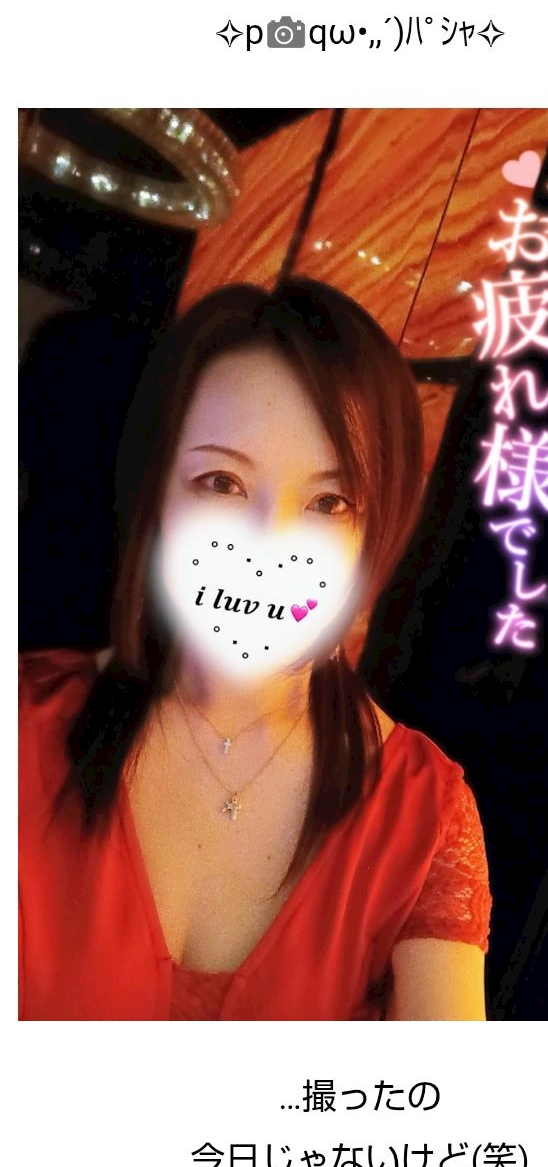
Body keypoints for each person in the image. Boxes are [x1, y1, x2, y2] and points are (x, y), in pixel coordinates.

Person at [18, 278, 492, 1020]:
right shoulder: (24, 727)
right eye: (222, 482)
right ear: (157, 496)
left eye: (328, 502)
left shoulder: (422, 818)